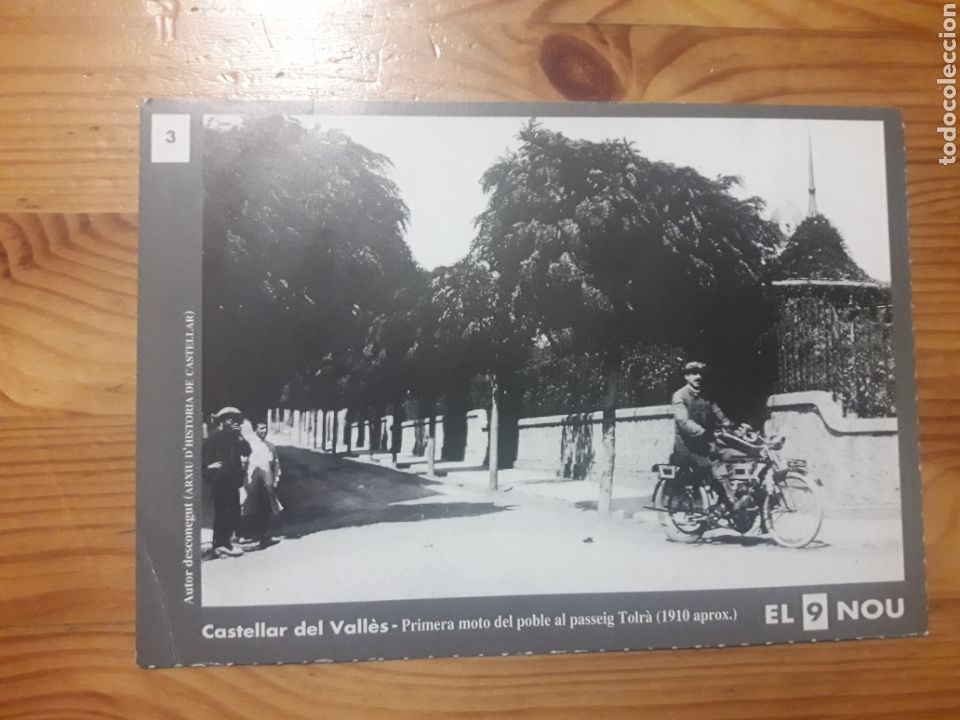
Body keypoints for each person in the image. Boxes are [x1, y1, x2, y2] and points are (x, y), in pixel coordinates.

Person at [670, 361, 740, 510]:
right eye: (694, 373)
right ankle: (728, 499)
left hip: (705, 443)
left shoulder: (706, 394)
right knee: (715, 463)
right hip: (687, 447)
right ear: (686, 376)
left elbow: (717, 411)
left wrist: (728, 423)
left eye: (701, 374)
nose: (698, 377)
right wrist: (703, 432)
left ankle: (728, 495)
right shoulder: (680, 396)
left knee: (731, 457)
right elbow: (683, 422)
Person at [203, 407, 252, 558]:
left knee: (233, 512)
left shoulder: (236, 437)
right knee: (222, 513)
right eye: (229, 419)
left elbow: (247, 451)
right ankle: (220, 544)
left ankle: (225, 543)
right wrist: (208, 467)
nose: (233, 422)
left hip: (233, 481)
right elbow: (202, 455)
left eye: (234, 419)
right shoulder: (215, 436)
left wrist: (240, 436)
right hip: (220, 481)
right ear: (223, 421)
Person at [239, 421, 283, 548]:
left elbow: (276, 465)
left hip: (266, 484)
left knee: (265, 509)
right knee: (246, 507)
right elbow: (242, 463)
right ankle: (243, 534)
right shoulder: (249, 445)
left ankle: (263, 535)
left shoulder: (271, 447)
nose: (264, 431)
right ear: (255, 430)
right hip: (250, 483)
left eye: (266, 428)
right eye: (261, 428)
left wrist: (275, 479)